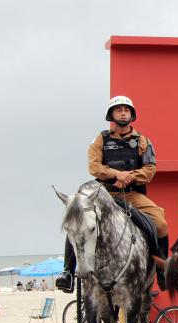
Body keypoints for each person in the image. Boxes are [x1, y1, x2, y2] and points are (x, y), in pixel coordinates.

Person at [56, 96, 169, 292]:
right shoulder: (100, 139)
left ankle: (162, 270)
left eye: (126, 110)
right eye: (118, 110)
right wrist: (116, 174)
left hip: (132, 194)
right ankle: (67, 272)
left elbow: (150, 170)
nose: (123, 113)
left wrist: (128, 177)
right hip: (103, 194)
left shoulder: (143, 141)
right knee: (78, 220)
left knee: (160, 223)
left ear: (132, 115)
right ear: (111, 115)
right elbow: (94, 167)